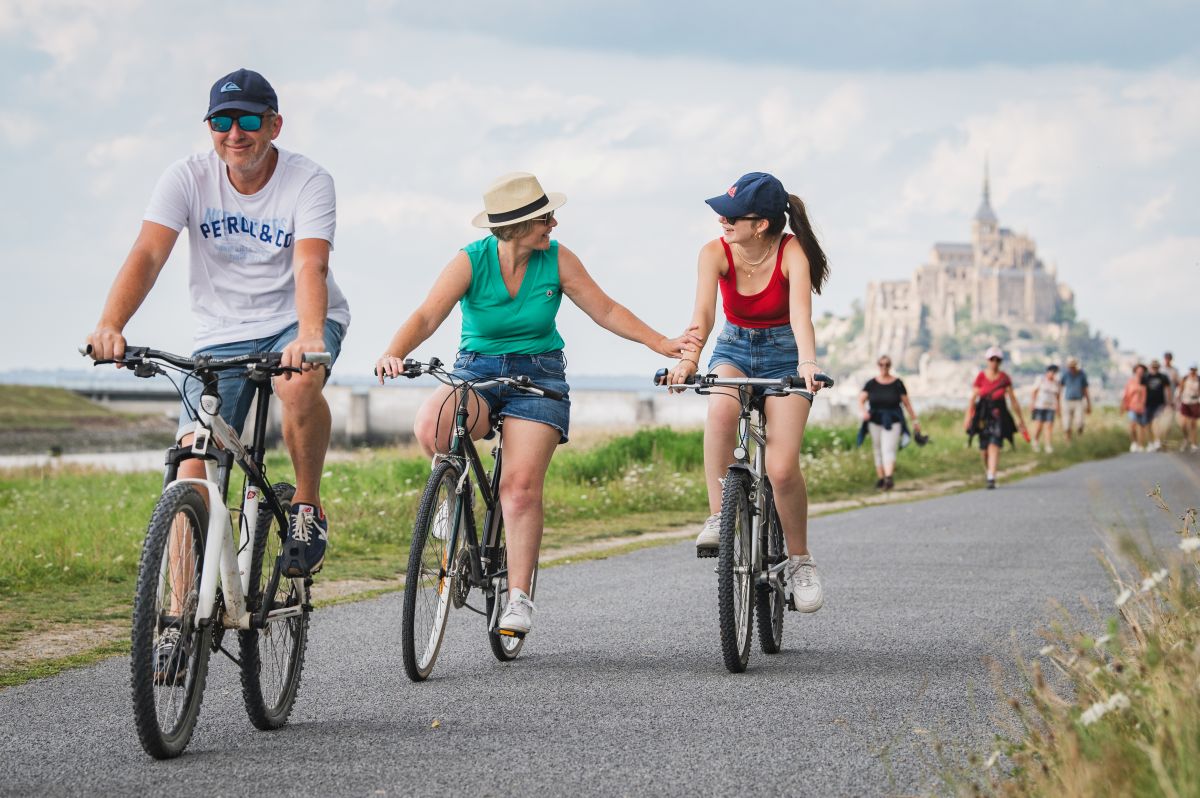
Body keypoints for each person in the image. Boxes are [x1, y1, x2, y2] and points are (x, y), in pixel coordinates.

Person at [85, 68, 350, 679]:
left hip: (298, 323)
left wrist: (310, 337)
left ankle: (306, 505)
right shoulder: (186, 177)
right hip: (220, 335)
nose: (236, 133)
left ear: (274, 125)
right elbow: (149, 253)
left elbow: (311, 264)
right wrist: (110, 324)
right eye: (223, 122)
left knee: (296, 383)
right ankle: (179, 620)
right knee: (191, 466)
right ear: (209, 128)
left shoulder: (308, 180)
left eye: (250, 120)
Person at [375, 172, 698, 637]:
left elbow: (604, 309)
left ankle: (519, 598)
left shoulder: (558, 260)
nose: (553, 224)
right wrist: (394, 351)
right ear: (514, 226)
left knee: (520, 488)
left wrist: (659, 343)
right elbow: (428, 314)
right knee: (433, 423)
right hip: (477, 370)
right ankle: (449, 492)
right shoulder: (471, 261)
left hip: (539, 374)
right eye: (545, 218)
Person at [666, 171, 830, 613]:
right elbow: (702, 313)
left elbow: (801, 316)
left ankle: (799, 561)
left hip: (785, 354)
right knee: (720, 410)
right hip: (734, 347)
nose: (722, 218)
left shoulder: (793, 251)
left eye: (733, 214)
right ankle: (720, 513)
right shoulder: (714, 252)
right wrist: (688, 359)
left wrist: (807, 363)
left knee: (780, 467)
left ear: (760, 224)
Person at [964, 346, 1028, 489]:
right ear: (987, 360)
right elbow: (973, 399)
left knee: (995, 443)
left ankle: (991, 476)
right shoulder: (981, 376)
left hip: (999, 414)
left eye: (997, 359)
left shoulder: (1005, 378)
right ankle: (989, 472)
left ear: (1000, 361)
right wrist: (968, 417)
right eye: (992, 359)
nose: (994, 362)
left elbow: (1013, 400)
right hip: (983, 415)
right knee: (984, 450)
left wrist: (1020, 420)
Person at [856, 355, 921, 490]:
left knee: (888, 449)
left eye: (886, 364)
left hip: (893, 420)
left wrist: (915, 421)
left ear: (890, 366)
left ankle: (889, 478)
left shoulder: (898, 383)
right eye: (881, 364)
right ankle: (881, 478)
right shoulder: (871, 383)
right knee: (877, 449)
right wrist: (864, 412)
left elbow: (907, 404)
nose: (884, 367)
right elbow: (860, 400)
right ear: (878, 365)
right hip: (874, 420)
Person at [1029, 364, 1063, 453]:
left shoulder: (1057, 382)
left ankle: (1048, 445)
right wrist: (1032, 403)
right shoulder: (1041, 379)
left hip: (1050, 407)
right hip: (1039, 406)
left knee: (1049, 426)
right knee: (1038, 426)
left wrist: (1058, 406)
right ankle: (1035, 441)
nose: (1053, 374)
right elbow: (1034, 392)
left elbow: (1058, 395)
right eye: (1052, 372)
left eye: (1055, 373)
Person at [1142, 359, 1174, 452]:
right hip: (1147, 403)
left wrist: (1169, 402)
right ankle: (1150, 443)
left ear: (1159, 367)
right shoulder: (1145, 377)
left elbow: (1168, 390)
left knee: (1156, 422)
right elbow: (1142, 390)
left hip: (1159, 403)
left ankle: (1157, 441)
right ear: (1150, 367)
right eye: (1153, 367)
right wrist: (1141, 402)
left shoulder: (1163, 377)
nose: (1154, 369)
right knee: (1148, 424)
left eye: (1156, 367)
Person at [1060, 356, 1091, 442]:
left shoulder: (1082, 374)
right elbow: (1060, 387)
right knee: (1066, 424)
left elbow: (1085, 389)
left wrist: (1088, 404)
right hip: (1067, 401)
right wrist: (1058, 403)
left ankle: (1079, 437)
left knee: (1079, 422)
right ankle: (1067, 441)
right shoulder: (1065, 374)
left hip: (1079, 401)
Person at [1121, 364, 1149, 452]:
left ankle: (1141, 444)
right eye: (1138, 372)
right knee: (1132, 425)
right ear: (1135, 372)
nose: (1140, 373)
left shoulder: (1145, 382)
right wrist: (1123, 406)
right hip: (1132, 406)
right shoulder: (1130, 382)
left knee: (1141, 427)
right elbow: (1126, 395)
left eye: (1142, 372)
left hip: (1143, 407)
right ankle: (1134, 442)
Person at [1178, 364, 1200, 452]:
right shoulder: (1185, 378)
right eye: (1191, 369)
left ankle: (1193, 443)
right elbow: (1181, 389)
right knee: (1183, 424)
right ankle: (1186, 438)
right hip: (1185, 401)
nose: (1192, 371)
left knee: (1193, 424)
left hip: (1195, 402)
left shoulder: (1198, 379)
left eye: (1194, 370)